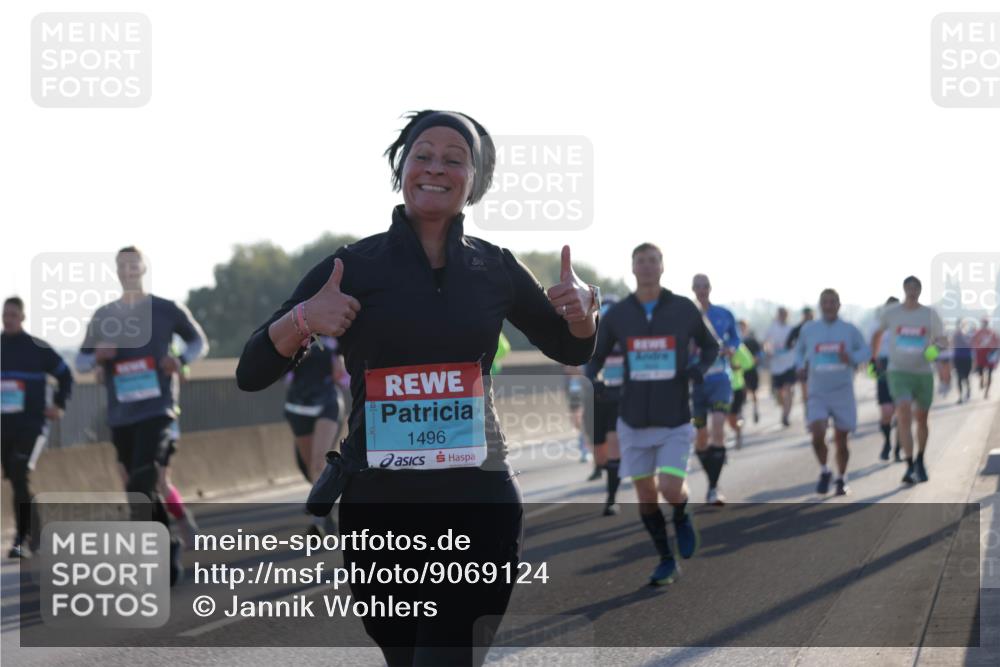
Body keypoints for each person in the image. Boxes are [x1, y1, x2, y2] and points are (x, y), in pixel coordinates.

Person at [236, 110, 598, 666]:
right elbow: (252, 370)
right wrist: (306, 317)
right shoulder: (350, 267)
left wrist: (582, 311)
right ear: (401, 167)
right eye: (423, 154)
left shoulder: (494, 268)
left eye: (456, 159)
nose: (437, 167)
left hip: (479, 503)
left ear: (475, 180)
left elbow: (571, 347)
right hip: (380, 512)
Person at [587, 243, 718, 586]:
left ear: (662, 267)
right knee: (646, 496)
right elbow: (595, 355)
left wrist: (699, 369)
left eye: (652, 261)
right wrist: (593, 377)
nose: (646, 267)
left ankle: (682, 512)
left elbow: (711, 345)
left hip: (674, 416)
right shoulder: (619, 315)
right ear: (632, 268)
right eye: (640, 261)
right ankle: (665, 559)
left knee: (670, 487)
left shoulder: (683, 309)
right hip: (632, 418)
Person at [76, 246, 208, 585]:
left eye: (133, 263)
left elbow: (198, 342)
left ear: (143, 268)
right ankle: (166, 547)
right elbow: (81, 361)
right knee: (136, 489)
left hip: (158, 409)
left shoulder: (166, 309)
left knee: (143, 480)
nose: (128, 269)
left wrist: (181, 360)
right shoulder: (104, 315)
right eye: (122, 265)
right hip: (122, 415)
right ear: (117, 272)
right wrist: (97, 357)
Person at [2, 296, 73, 558]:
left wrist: (59, 404)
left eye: (12, 315)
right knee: (17, 480)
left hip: (31, 425)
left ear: (22, 317)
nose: (7, 320)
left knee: (20, 473)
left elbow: (65, 375)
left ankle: (21, 539)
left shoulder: (37, 348)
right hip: (4, 426)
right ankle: (37, 529)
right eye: (4, 315)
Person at [794, 289, 870, 496]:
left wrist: (851, 357)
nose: (828, 306)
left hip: (842, 390)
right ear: (820, 305)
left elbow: (865, 350)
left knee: (841, 439)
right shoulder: (809, 329)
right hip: (817, 390)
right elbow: (799, 351)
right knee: (817, 434)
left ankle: (841, 478)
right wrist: (800, 365)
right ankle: (825, 470)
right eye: (824, 302)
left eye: (832, 302)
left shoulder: (849, 329)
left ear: (839, 304)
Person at [871, 276, 946, 484]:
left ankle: (921, 459)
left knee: (921, 419)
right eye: (909, 287)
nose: (913, 291)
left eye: (916, 287)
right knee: (903, 415)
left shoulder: (929, 314)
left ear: (921, 290)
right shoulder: (891, 313)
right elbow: (876, 334)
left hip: (922, 373)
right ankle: (909, 464)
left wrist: (931, 352)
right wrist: (874, 358)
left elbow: (942, 341)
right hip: (898, 372)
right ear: (904, 289)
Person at [284, 335, 346, 536]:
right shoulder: (294, 330)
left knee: (319, 460)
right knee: (309, 465)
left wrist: (340, 368)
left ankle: (316, 520)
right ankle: (325, 507)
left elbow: (344, 375)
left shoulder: (338, 332)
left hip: (327, 402)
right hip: (298, 405)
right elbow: (280, 370)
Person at [690, 274, 738, 505]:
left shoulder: (723, 314)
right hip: (696, 382)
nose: (701, 290)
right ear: (692, 289)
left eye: (705, 286)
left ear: (710, 288)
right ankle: (712, 476)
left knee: (718, 425)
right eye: (697, 286)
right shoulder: (686, 317)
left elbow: (737, 339)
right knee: (700, 438)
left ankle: (713, 487)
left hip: (720, 378)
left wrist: (731, 349)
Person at [582, 297, 623, 513]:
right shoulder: (592, 337)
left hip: (619, 397)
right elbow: (586, 365)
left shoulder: (627, 339)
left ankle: (611, 499)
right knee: (600, 455)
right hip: (596, 399)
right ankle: (615, 468)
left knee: (614, 443)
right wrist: (593, 381)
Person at [871, 297, 900, 461]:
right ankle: (887, 442)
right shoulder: (877, 326)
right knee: (887, 412)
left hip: (901, 369)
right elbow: (871, 350)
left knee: (902, 411)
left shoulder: (905, 325)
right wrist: (872, 369)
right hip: (883, 369)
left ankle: (899, 448)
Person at [764, 307, 796, 426]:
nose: (783, 316)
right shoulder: (773, 328)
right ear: (778, 315)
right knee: (779, 394)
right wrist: (768, 351)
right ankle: (784, 408)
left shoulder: (791, 329)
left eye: (785, 314)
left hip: (789, 364)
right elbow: (765, 342)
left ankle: (785, 416)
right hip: (776, 365)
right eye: (781, 314)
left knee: (788, 389)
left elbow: (797, 344)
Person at [726, 342, 756, 450]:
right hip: (722, 389)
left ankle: (738, 429)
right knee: (726, 419)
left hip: (737, 388)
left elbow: (749, 362)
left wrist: (736, 366)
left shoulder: (737, 346)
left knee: (732, 417)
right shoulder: (714, 345)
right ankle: (737, 428)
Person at [786, 306, 815, 410]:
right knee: (805, 388)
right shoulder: (797, 329)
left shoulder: (819, 327)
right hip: (802, 362)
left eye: (810, 315)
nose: (808, 317)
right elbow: (788, 344)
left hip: (817, 362)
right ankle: (807, 410)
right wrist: (797, 347)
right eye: (806, 315)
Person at [738, 320, 762, 424]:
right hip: (739, 371)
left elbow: (758, 355)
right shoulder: (736, 341)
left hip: (751, 370)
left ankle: (756, 410)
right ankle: (741, 414)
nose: (741, 329)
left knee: (753, 392)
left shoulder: (752, 341)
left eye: (743, 327)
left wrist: (750, 362)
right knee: (742, 392)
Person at [972, 318, 999, 399]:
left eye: (985, 323)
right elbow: (974, 342)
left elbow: (997, 343)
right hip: (981, 354)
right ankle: (982, 379)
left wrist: (996, 354)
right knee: (980, 371)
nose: (984, 325)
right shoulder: (978, 332)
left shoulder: (992, 332)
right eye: (983, 323)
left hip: (990, 354)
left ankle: (987, 392)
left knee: (990, 373)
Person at [952, 321, 974, 404]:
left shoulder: (969, 335)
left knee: (966, 377)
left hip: (967, 358)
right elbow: (952, 345)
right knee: (959, 377)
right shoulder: (955, 335)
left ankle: (968, 390)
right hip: (958, 358)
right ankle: (960, 397)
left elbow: (972, 346)